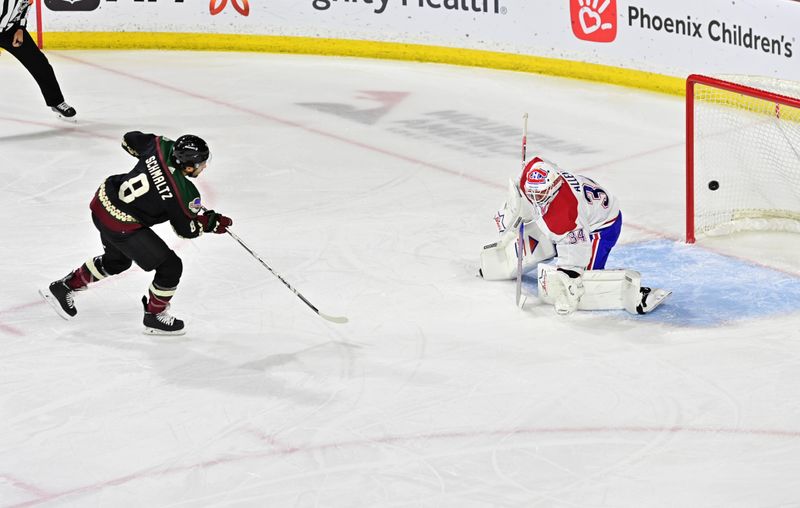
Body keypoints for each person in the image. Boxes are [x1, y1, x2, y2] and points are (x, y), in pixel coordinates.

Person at [40, 131, 233, 335]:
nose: (204, 167)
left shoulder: (161, 146)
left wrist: (150, 162)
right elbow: (187, 231)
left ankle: (64, 287)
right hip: (121, 223)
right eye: (202, 163)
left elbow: (129, 139)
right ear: (188, 165)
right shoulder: (184, 193)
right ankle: (154, 316)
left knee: (117, 262)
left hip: (102, 203)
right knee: (170, 267)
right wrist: (211, 222)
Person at [481, 156, 669, 315]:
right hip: (582, 211)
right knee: (541, 241)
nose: (537, 198)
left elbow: (575, 256)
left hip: (602, 227)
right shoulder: (535, 171)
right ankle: (503, 262)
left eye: (542, 194)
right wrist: (513, 209)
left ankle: (636, 294)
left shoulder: (565, 216)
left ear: (554, 186)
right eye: (534, 193)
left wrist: (567, 278)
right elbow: (532, 177)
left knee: (581, 284)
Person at [1, 0, 77, 120]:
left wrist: (20, 28)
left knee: (40, 65)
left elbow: (25, 6)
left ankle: (56, 102)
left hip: (12, 30)